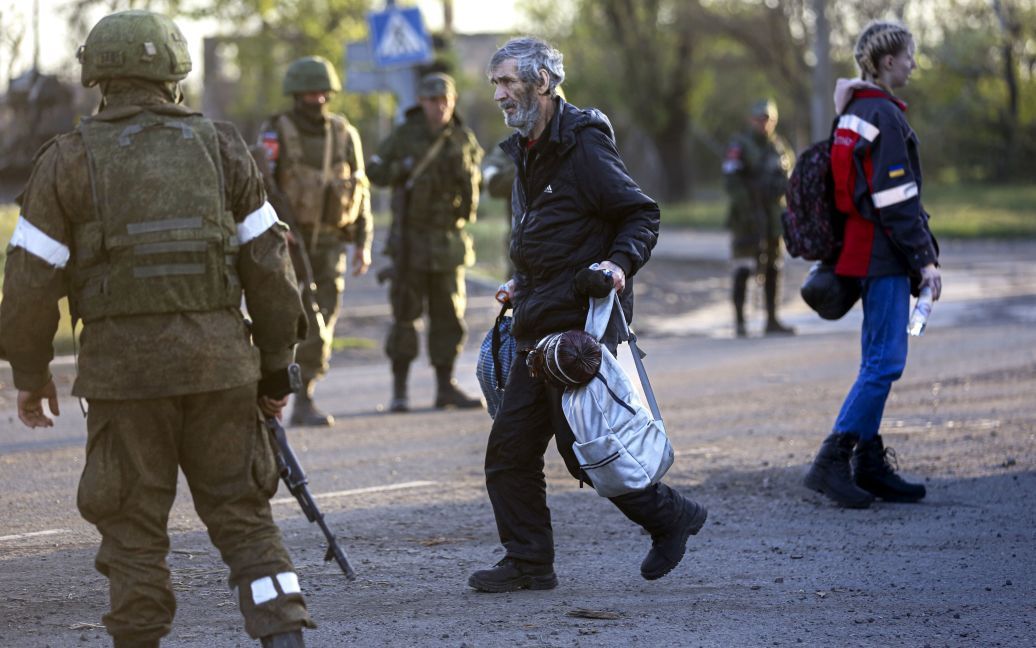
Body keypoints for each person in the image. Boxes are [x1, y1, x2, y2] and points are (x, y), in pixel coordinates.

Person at [0, 10, 314, 647]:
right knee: (245, 520)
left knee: (133, 530)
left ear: (98, 77)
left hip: (124, 380)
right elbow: (271, 266)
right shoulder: (222, 145)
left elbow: (29, 286)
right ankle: (284, 632)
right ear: (175, 74)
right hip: (222, 370)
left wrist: (29, 374)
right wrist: (276, 366)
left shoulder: (65, 161)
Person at [468, 37, 708, 593]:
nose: (499, 94)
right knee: (509, 454)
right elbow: (548, 236)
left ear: (543, 82)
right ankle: (529, 563)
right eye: (496, 84)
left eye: (508, 82)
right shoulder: (526, 148)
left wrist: (620, 265)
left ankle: (673, 518)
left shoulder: (582, 145)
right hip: (535, 323)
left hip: (578, 333)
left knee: (588, 454)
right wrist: (521, 282)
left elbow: (640, 215)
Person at [803, 20, 941, 509]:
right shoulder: (882, 113)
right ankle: (832, 460)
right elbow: (897, 200)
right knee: (886, 360)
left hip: (859, 253)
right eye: (908, 56)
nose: (913, 64)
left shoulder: (853, 113)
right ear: (886, 61)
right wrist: (925, 262)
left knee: (874, 361)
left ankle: (869, 461)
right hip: (881, 255)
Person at [257, 55, 373, 427]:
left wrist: (363, 242)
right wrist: (276, 228)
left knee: (324, 315)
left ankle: (305, 392)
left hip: (330, 243)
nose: (317, 98)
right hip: (288, 242)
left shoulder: (344, 133)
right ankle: (279, 395)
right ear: (296, 94)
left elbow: (360, 188)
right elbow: (260, 185)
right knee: (290, 318)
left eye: (322, 91)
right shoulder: (276, 132)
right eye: (309, 92)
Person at [367, 72, 484, 413]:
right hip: (411, 243)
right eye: (433, 101)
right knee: (405, 315)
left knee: (449, 317)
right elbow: (375, 172)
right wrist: (400, 169)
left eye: (445, 101)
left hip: (448, 243)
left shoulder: (463, 137)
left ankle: (445, 387)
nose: (440, 107)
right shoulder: (405, 135)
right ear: (422, 102)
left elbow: (476, 178)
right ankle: (400, 390)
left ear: (453, 101)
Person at [722, 98, 795, 337]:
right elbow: (731, 181)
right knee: (743, 267)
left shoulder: (780, 147)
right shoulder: (740, 146)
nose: (763, 124)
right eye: (759, 119)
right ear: (750, 120)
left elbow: (789, 178)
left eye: (768, 119)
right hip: (747, 217)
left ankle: (772, 319)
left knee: (774, 266)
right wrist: (747, 206)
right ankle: (740, 322)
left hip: (773, 216)